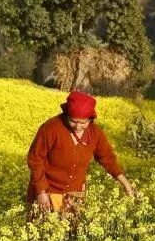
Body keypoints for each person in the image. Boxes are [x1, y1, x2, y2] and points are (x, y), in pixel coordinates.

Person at [25, 90, 138, 222]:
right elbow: (36, 160)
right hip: (47, 193)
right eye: (73, 121)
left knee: (70, 236)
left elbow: (108, 159)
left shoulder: (95, 134)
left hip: (74, 196)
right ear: (67, 114)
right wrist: (41, 192)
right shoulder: (51, 128)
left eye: (83, 123)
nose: (78, 126)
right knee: (42, 232)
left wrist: (126, 185)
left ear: (91, 118)